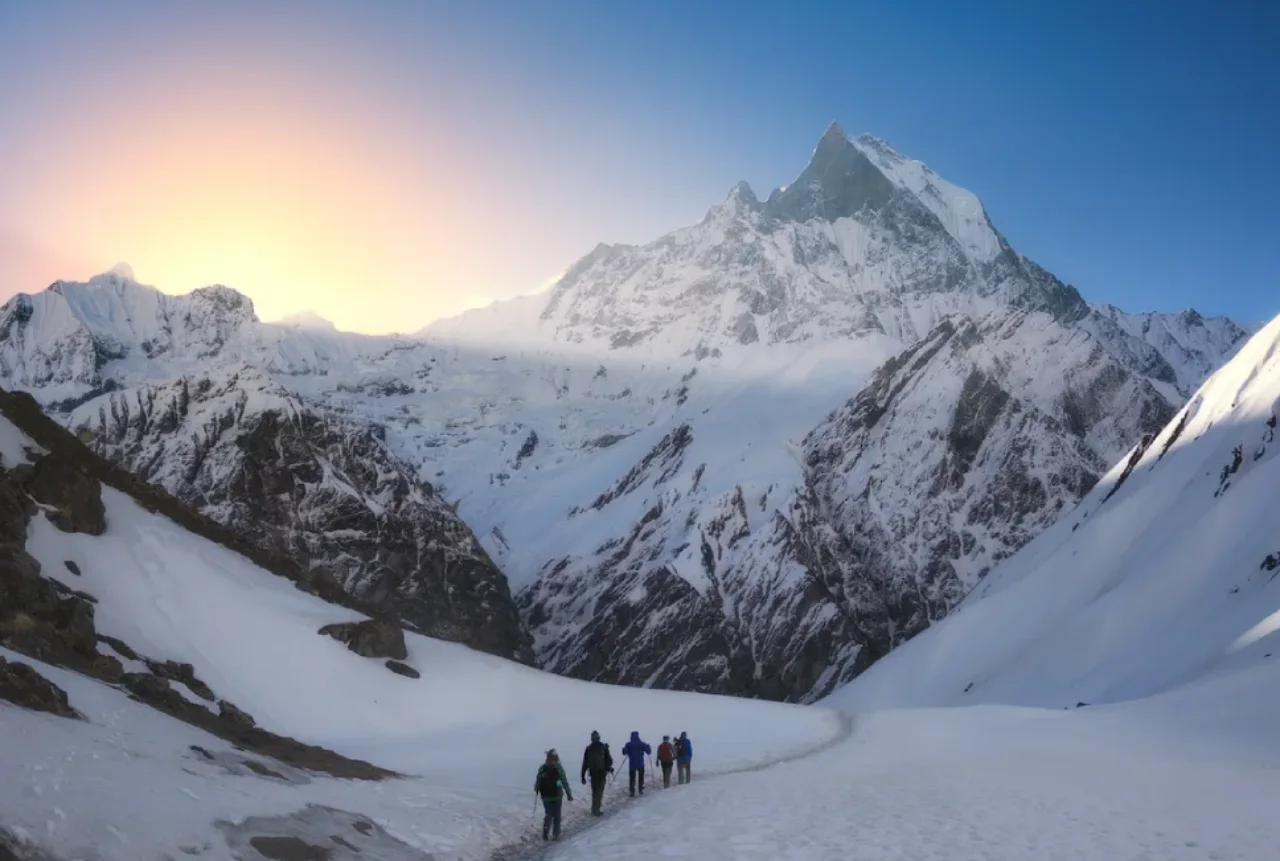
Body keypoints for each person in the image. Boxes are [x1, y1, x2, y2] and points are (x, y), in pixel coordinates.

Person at [534, 748, 573, 841]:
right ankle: (556, 834)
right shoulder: (558, 768)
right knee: (556, 816)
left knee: (549, 814)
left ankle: (546, 832)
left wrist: (537, 789)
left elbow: (538, 780)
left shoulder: (543, 768)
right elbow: (564, 781)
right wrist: (568, 793)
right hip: (556, 796)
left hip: (546, 796)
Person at [580, 730, 614, 815]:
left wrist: (582, 776)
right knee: (599, 791)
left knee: (594, 791)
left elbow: (585, 763)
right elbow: (609, 761)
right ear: (599, 738)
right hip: (601, 773)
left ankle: (594, 809)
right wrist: (609, 768)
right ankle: (596, 809)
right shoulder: (603, 747)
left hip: (593, 773)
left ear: (591, 739)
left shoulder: (588, 748)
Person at [620, 731, 651, 797]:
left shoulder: (628, 744)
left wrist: (624, 749)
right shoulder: (641, 744)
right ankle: (641, 790)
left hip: (632, 764)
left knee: (632, 778)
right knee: (641, 777)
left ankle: (632, 792)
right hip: (640, 764)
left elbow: (624, 752)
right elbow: (648, 751)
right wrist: (648, 746)